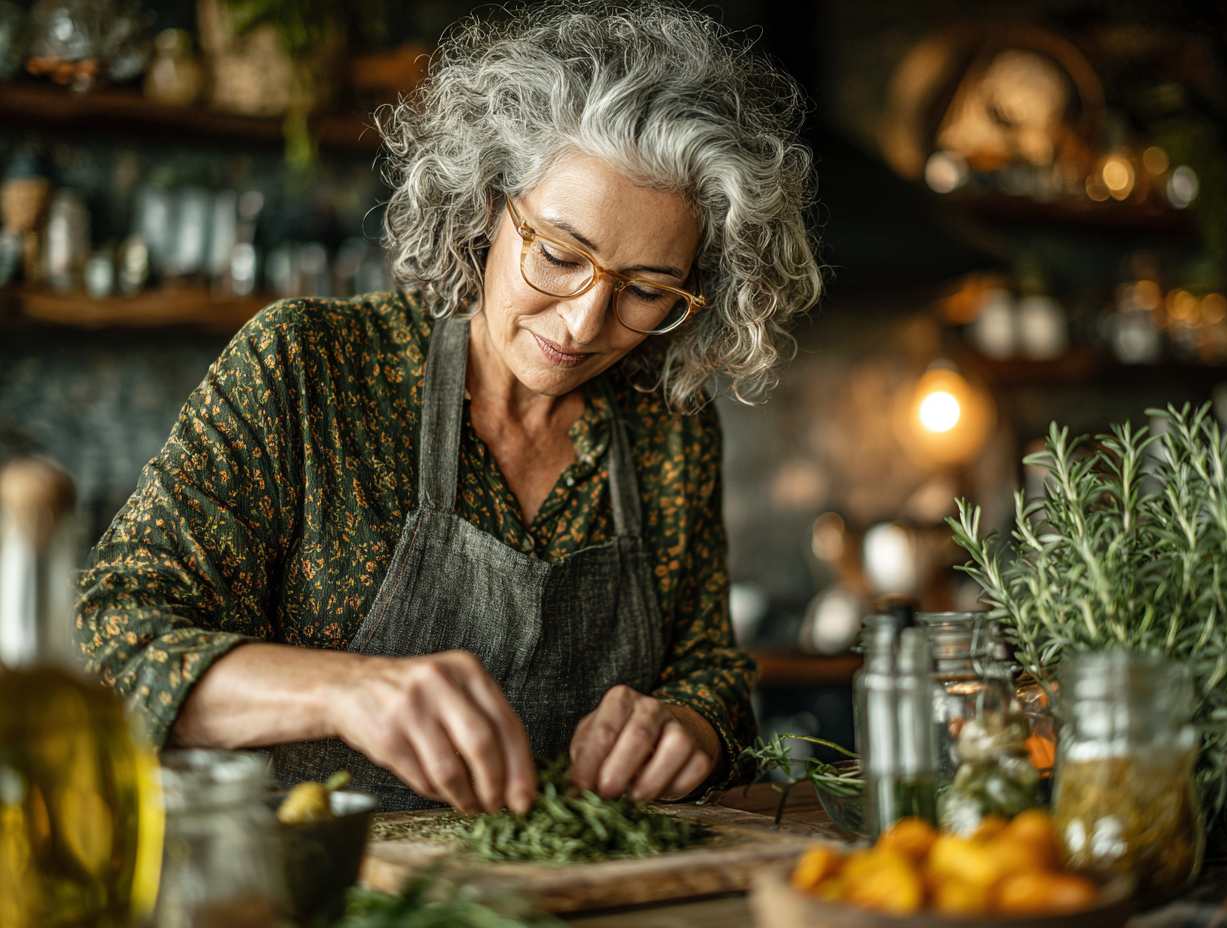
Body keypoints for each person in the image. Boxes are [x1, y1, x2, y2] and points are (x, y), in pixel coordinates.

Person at [76, 1, 822, 813]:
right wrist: (347, 692)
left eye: (646, 290)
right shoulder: (308, 370)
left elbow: (709, 666)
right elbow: (113, 647)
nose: (583, 323)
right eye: (561, 255)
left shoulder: (667, 426)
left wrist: (690, 725)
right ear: (487, 206)